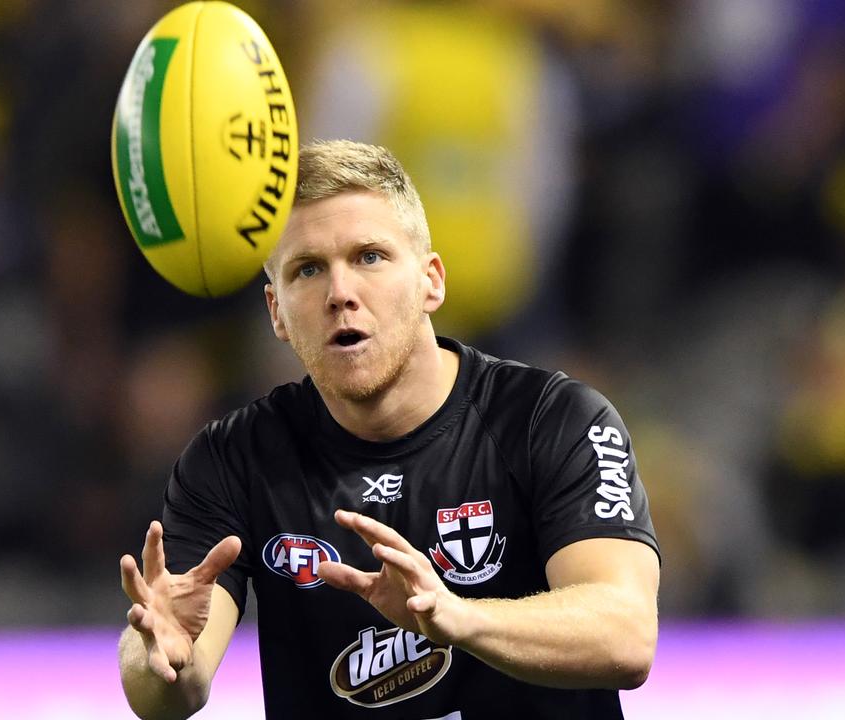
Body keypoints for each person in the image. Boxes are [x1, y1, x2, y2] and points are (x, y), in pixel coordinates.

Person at [117, 140, 660, 719]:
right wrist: (160, 660)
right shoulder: (232, 459)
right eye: (308, 269)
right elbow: (171, 690)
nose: (341, 294)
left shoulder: (553, 420)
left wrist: (457, 617)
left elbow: (626, 636)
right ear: (276, 311)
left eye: (370, 257)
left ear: (431, 281)